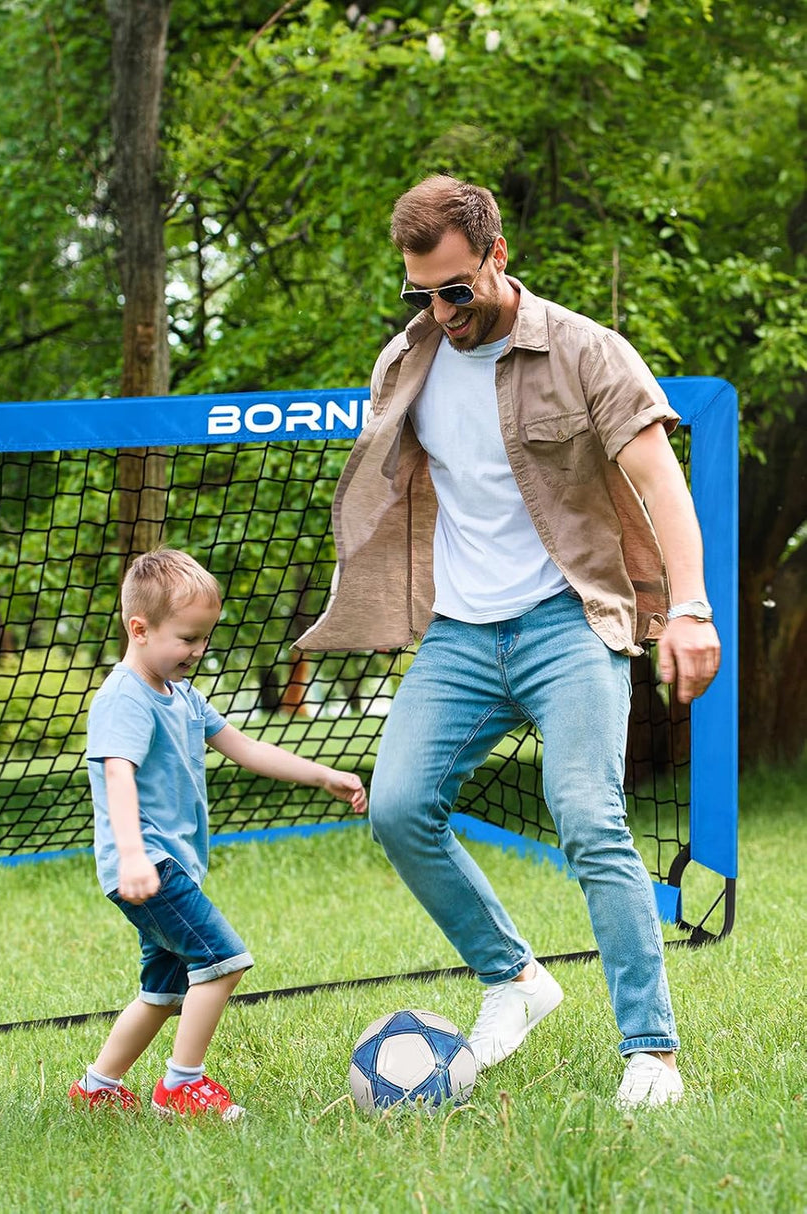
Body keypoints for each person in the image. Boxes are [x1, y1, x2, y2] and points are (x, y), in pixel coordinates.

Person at [296, 175, 721, 1109]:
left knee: (587, 813)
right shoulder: (403, 364)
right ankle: (517, 979)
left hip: (568, 621)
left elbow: (661, 481)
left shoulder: (584, 352)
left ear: (496, 259)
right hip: (460, 631)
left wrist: (688, 607)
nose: (440, 310)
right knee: (400, 808)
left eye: (456, 288)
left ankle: (650, 1054)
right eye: (420, 293)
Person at [73, 547, 367, 1119]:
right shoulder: (124, 700)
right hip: (149, 865)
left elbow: (245, 748)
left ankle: (97, 1086)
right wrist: (133, 855)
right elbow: (117, 777)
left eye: (205, 637)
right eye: (187, 638)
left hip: (170, 865)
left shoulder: (181, 695)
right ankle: (182, 1087)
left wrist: (323, 774)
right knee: (224, 961)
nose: (199, 651)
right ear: (140, 628)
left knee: (163, 993)